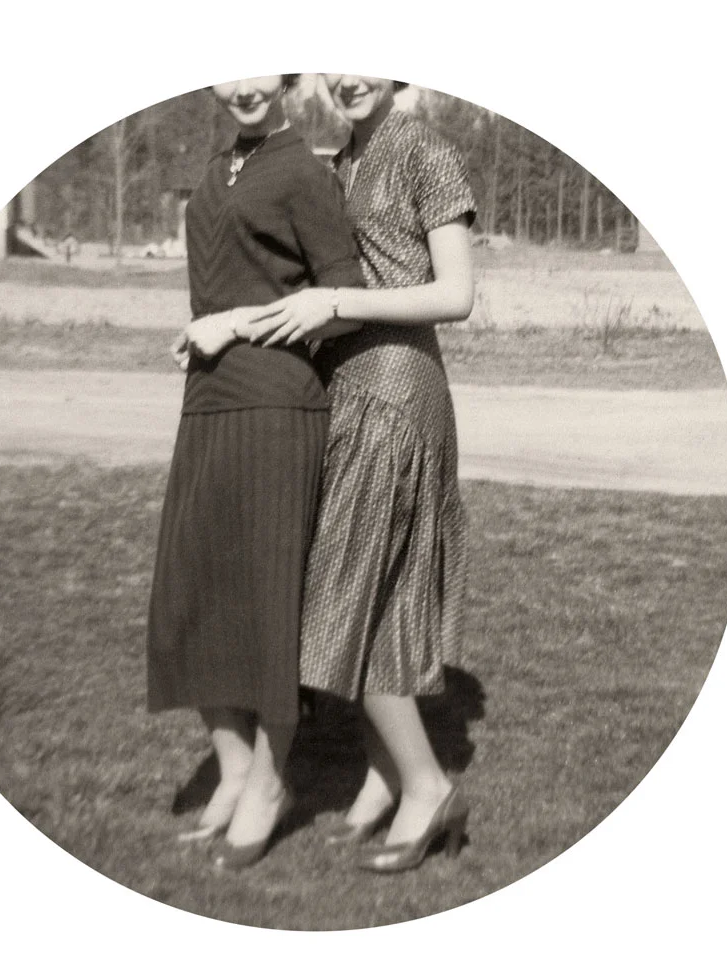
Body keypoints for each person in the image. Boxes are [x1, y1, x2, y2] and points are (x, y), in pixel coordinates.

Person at [250, 76, 477, 873]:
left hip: (395, 394)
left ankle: (428, 786)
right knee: (373, 592)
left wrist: (338, 304)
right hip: (348, 390)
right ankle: (384, 780)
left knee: (344, 595)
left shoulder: (424, 150)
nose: (348, 76)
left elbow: (457, 294)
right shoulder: (343, 157)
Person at [146, 76, 363, 870]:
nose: (241, 86)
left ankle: (271, 782)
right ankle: (234, 768)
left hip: (277, 402)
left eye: (258, 69)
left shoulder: (301, 169)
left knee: (268, 600)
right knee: (193, 588)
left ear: (287, 79)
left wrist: (235, 323)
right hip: (209, 398)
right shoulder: (216, 170)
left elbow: (342, 296)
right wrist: (205, 330)